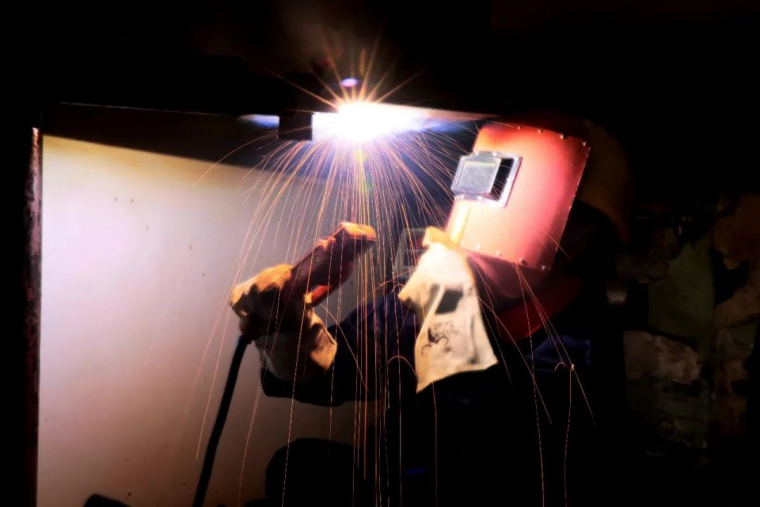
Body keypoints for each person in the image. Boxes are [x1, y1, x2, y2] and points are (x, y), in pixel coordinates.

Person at [231, 109, 632, 507]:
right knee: (295, 469)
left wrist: (450, 322)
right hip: (398, 482)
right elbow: (338, 371)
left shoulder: (576, 357)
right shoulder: (440, 297)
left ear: (582, 235)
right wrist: (286, 328)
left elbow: (485, 459)